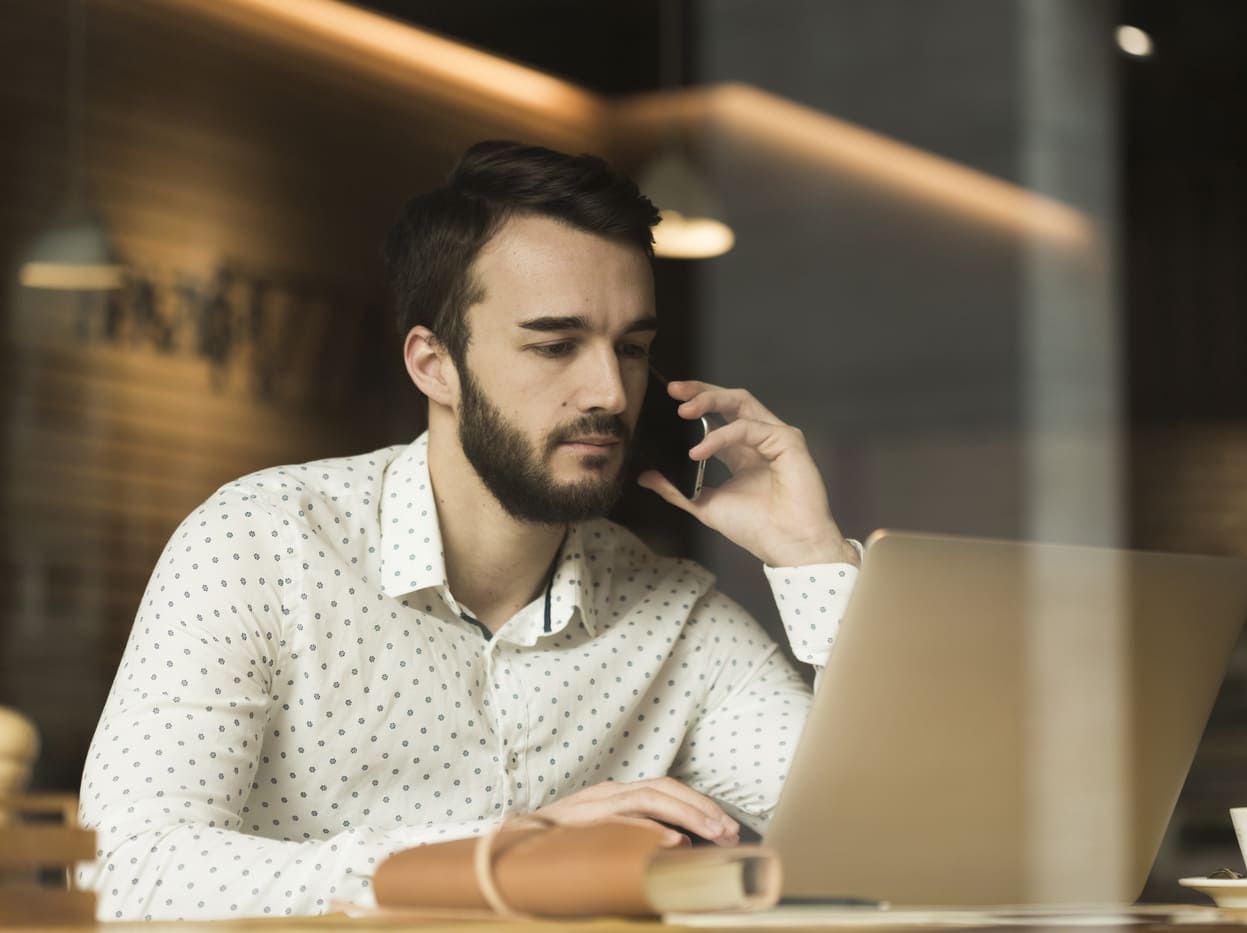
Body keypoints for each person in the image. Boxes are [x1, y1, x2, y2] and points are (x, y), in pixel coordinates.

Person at [77, 140, 859, 920]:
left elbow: (900, 837)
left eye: (632, 349)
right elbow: (124, 870)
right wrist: (505, 853)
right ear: (433, 364)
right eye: (555, 345)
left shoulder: (674, 620)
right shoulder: (258, 546)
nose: (611, 393)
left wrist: (808, 558)